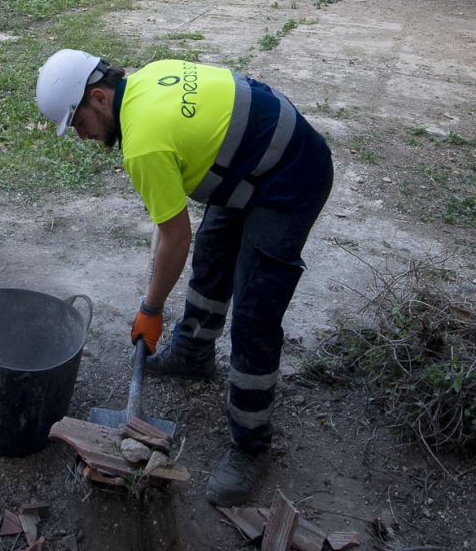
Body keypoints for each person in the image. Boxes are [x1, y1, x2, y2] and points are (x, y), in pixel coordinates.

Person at [35, 49, 332, 505]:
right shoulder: (147, 79)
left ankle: (251, 446)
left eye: (78, 124)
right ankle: (194, 353)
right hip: (253, 162)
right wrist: (156, 270)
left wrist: (150, 309)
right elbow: (168, 225)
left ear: (98, 98)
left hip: (292, 176)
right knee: (214, 252)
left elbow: (176, 238)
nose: (83, 137)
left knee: (255, 311)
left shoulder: (143, 143)